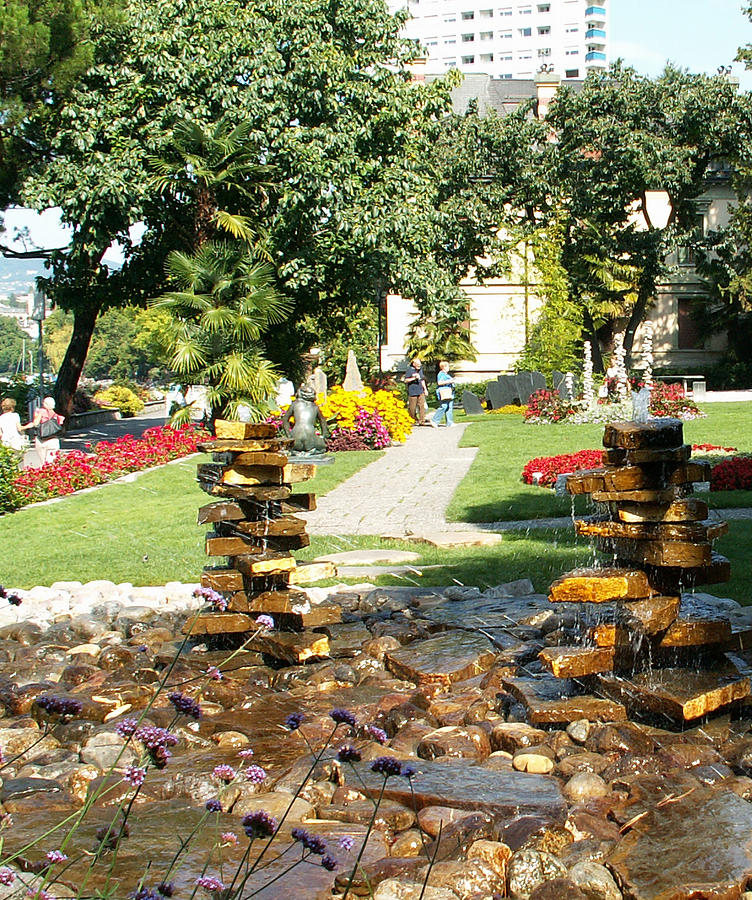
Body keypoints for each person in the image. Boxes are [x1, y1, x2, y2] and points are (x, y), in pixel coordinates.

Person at [23, 397, 65, 466]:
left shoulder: (40, 412)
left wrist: (24, 427)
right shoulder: (57, 416)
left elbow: (35, 423)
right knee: (51, 462)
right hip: (53, 439)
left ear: (44, 404)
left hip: (41, 440)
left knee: (43, 462)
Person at [429, 360, 455, 428]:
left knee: (449, 407)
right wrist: (449, 381)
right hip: (444, 392)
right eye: (448, 366)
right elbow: (439, 383)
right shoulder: (441, 374)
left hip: (449, 392)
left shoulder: (446, 374)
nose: (449, 367)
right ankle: (435, 420)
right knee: (444, 406)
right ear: (444, 367)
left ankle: (450, 422)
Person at [403, 356, 428, 425]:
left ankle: (422, 421)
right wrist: (414, 378)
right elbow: (406, 380)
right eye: (418, 365)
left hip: (420, 391)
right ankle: (413, 419)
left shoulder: (420, 370)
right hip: (412, 391)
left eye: (420, 365)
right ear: (414, 364)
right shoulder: (410, 370)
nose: (419, 366)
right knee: (412, 408)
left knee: (421, 406)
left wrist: (425, 389)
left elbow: (422, 380)